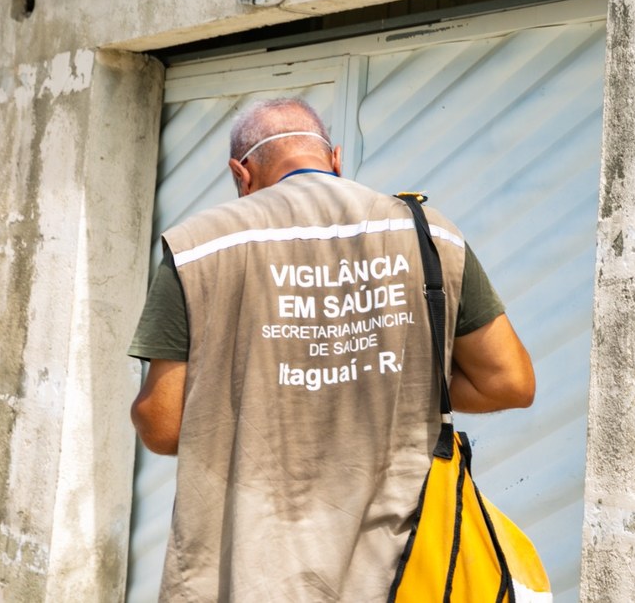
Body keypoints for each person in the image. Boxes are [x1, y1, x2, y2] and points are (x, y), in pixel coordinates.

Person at [129, 97, 535, 602]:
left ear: (241, 173)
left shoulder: (199, 247)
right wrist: (385, 381)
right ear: (336, 159)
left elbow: (164, 426)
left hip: (247, 572)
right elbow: (509, 382)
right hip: (397, 572)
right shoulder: (428, 234)